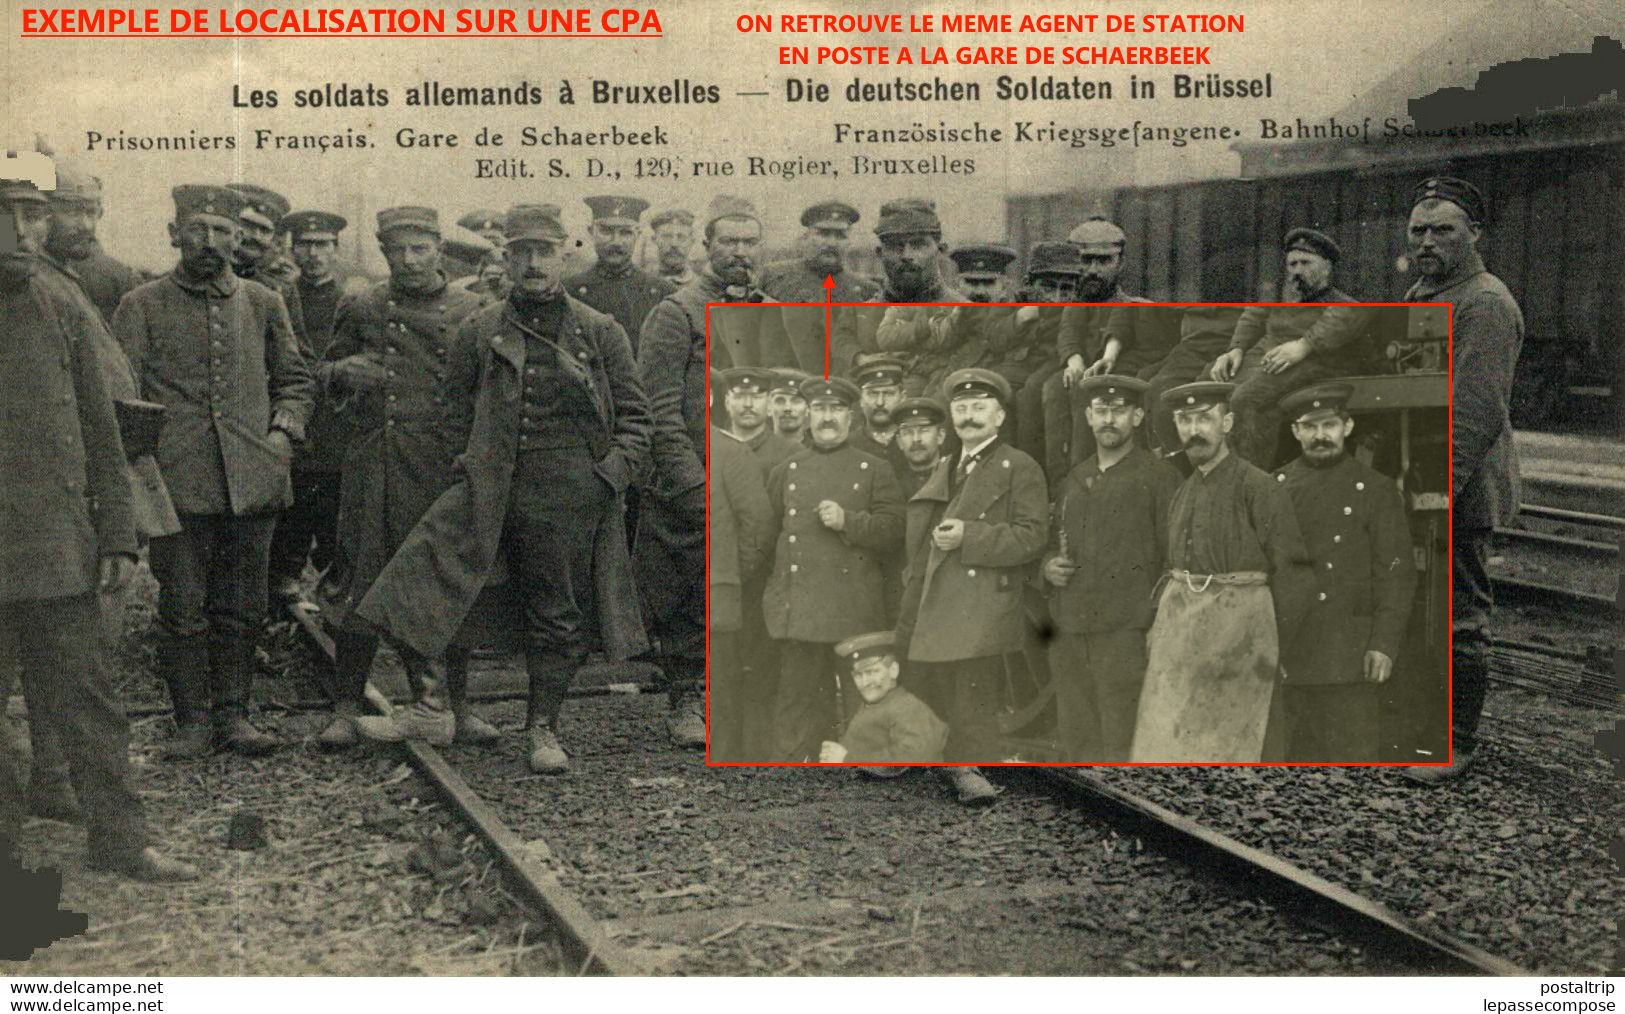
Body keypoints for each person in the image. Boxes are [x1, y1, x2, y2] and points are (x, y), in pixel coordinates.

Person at [355, 204, 651, 773]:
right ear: (507, 260)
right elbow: (453, 414)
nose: (534, 263)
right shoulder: (479, 328)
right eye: (522, 252)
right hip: (491, 486)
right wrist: (468, 472)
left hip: (569, 493)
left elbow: (637, 419)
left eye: (544, 251)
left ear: (565, 253)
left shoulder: (598, 330)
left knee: (556, 613)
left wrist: (608, 477)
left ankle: (542, 728)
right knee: (434, 584)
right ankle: (438, 708)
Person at [0, 177, 194, 881]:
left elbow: (103, 431)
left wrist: (117, 535)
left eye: (31, 218)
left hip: (58, 553)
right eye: (9, 218)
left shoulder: (59, 302)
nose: (24, 234)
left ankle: (120, 840)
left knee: (90, 706)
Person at [112, 184, 314, 758]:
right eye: (197, 230)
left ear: (236, 238)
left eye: (222, 231)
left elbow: (295, 381)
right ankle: (191, 721)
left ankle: (235, 717)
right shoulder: (141, 304)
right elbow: (122, 396)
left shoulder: (262, 301)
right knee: (182, 608)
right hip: (177, 484)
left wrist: (281, 436)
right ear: (176, 235)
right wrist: (145, 474)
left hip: (254, 482)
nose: (210, 243)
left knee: (243, 608)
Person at [313, 206, 490, 748]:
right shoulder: (363, 304)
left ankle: (456, 705)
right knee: (362, 579)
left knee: (445, 580)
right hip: (379, 460)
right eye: (398, 252)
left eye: (420, 249)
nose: (409, 261)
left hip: (445, 463)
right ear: (385, 253)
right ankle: (345, 706)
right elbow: (322, 372)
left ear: (439, 248)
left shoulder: (475, 309)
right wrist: (344, 374)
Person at [1399, 176, 1524, 785]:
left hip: (1458, 482)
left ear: (1474, 233)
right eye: (1419, 231)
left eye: (1442, 230)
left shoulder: (1484, 303)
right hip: (1419, 470)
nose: (1427, 241)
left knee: (1457, 612)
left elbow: (1475, 412)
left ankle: (1455, 742)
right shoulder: (1423, 292)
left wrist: (1434, 492)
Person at [636, 197, 765, 744]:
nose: (740, 252)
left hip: (754, 475)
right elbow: (657, 409)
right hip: (696, 474)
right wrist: (693, 483)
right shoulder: (677, 313)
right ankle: (689, 699)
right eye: (729, 242)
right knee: (693, 589)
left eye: (749, 242)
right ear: (707, 247)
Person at [1131, 382, 1313, 762]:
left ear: (1226, 423)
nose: (1194, 430)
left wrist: (1277, 647)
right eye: (1184, 420)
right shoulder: (1183, 492)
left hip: (1243, 641)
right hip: (1183, 641)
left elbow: (1295, 575)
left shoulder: (1258, 487)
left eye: (1204, 419)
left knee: (1240, 746)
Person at [896, 369, 1048, 803]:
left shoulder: (1019, 467)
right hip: (934, 597)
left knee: (971, 688)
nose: (969, 416)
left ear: (999, 416)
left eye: (979, 407)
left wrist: (970, 536)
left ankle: (970, 769)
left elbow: (1032, 537)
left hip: (983, 600)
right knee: (925, 678)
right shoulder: (948, 465)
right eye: (961, 408)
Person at [1267, 384, 1415, 762]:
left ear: (1347, 427)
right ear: (1295, 432)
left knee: (1352, 767)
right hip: (1289, 653)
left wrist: (1383, 644)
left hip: (1348, 656)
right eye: (1310, 427)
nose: (1321, 436)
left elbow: (1395, 574)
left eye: (1329, 425)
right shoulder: (1274, 489)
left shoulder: (1376, 491)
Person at [762, 377, 905, 762]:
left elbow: (895, 531)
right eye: (820, 410)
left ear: (849, 415)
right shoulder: (786, 469)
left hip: (855, 611)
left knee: (865, 702)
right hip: (801, 607)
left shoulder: (874, 468)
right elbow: (767, 535)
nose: (827, 418)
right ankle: (791, 777)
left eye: (836, 410)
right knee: (796, 702)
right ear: (809, 415)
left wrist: (849, 522)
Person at [1042, 376, 1180, 762]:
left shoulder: (1158, 477)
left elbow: (1174, 558)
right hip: (1071, 629)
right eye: (1101, 411)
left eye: (1119, 411)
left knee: (1122, 739)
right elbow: (1053, 540)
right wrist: (1047, 565)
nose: (1109, 420)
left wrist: (1155, 623)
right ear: (1088, 416)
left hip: (1125, 633)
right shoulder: (1075, 479)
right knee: (1077, 736)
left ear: (1137, 417)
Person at [1209, 229, 1377, 468]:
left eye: (1306, 263)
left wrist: (1304, 345)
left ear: (1327, 267)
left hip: (1321, 363)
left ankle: (1250, 480)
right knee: (1213, 387)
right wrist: (1235, 349)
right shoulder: (1282, 298)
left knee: (1248, 399)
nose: (1297, 270)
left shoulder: (1343, 302)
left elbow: (1343, 320)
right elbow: (1254, 315)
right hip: (1276, 358)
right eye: (1292, 264)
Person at [268, 209, 352, 610]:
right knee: (289, 518)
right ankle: (282, 593)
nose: (314, 254)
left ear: (336, 250)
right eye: (305, 244)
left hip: (339, 429)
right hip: (292, 426)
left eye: (323, 245)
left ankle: (334, 599)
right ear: (292, 248)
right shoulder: (278, 299)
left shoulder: (356, 301)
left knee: (337, 520)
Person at [842, 198, 966, 388]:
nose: (907, 256)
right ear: (879, 253)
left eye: (918, 245)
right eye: (895, 246)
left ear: (940, 250)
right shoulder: (858, 316)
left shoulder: (964, 311)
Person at [708, 422, 773, 762]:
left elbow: (758, 524)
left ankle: (725, 755)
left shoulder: (731, 451)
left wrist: (732, 573)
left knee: (723, 676)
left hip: (720, 588)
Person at [758, 200, 878, 373]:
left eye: (840, 235)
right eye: (823, 233)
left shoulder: (866, 290)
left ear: (849, 242)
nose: (831, 243)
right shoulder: (772, 277)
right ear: (806, 237)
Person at [566, 195, 675, 356]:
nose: (616, 241)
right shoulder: (570, 291)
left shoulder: (662, 292)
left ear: (637, 234)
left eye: (625, 233)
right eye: (606, 231)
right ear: (591, 232)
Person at [819, 632, 948, 766]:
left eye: (872, 672)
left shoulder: (907, 707)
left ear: (893, 670)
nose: (865, 682)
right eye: (858, 675)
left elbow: (914, 759)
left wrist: (848, 759)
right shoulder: (875, 705)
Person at [42, 164, 143, 327]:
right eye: (72, 212)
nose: (86, 226)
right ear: (43, 215)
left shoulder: (67, 275)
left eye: (91, 212)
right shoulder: (31, 278)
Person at [226, 183, 309, 349]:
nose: (256, 237)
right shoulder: (201, 277)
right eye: (248, 226)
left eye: (265, 230)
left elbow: (299, 355)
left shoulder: (281, 289)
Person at [891, 396, 949, 500]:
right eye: (908, 432)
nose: (916, 439)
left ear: (940, 436)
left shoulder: (953, 479)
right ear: (899, 441)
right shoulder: (892, 485)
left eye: (924, 431)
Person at [647, 207, 696, 286]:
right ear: (654, 239)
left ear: (691, 242)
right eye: (667, 236)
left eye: (681, 237)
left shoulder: (702, 286)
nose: (674, 243)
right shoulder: (641, 282)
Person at [767, 367, 812, 443]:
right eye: (780, 401)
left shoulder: (820, 453)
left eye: (796, 401)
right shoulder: (751, 452)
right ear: (768, 408)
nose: (787, 408)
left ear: (807, 409)